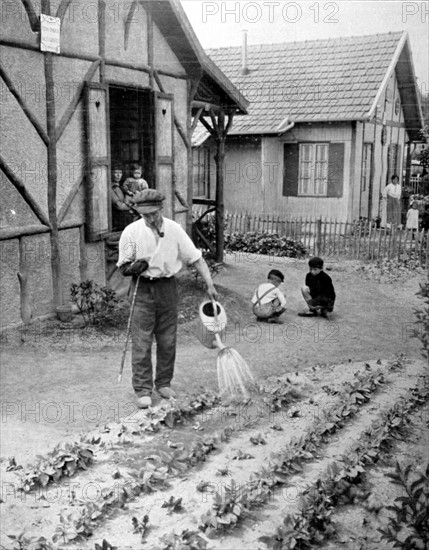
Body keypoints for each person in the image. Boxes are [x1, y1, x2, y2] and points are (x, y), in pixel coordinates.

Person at [117, 189, 218, 409]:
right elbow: (123, 266)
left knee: (167, 339)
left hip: (167, 288)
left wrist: (209, 285)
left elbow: (197, 259)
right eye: (145, 215)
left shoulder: (174, 230)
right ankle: (143, 390)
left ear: (161, 209)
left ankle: (163, 382)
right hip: (142, 289)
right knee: (142, 342)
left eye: (153, 213)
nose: (150, 219)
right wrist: (135, 267)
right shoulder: (131, 232)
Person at [111, 163, 135, 231]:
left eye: (120, 172)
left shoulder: (121, 187)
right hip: (118, 220)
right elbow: (119, 206)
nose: (118, 175)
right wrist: (133, 205)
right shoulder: (111, 188)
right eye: (115, 173)